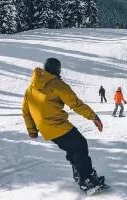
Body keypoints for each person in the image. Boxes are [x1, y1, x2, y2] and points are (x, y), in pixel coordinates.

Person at [22, 58, 105, 192]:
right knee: (80, 144)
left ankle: (81, 173)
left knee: (73, 147)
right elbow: (75, 104)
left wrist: (32, 130)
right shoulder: (57, 84)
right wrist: (93, 117)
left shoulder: (31, 87)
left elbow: (26, 111)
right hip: (57, 124)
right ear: (57, 69)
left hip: (46, 129)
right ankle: (85, 178)